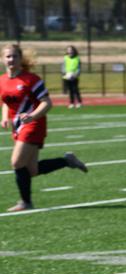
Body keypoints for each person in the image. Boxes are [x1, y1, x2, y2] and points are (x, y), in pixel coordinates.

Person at [0, 44, 88, 212]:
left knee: (17, 162)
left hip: (34, 124)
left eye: (15, 56)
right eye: (8, 56)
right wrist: (5, 118)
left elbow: (47, 102)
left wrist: (32, 116)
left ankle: (26, 202)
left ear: (20, 59)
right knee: (31, 170)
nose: (11, 59)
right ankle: (67, 161)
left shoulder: (31, 79)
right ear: (2, 59)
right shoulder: (2, 80)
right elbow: (5, 102)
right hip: (18, 126)